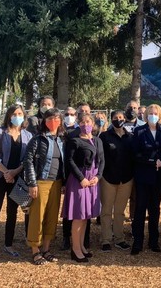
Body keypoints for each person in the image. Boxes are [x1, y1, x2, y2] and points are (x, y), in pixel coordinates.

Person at [0, 104, 33, 264]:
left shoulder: (27, 135)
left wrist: (14, 172)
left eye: (20, 114)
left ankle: (8, 245)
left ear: (24, 116)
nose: (17, 116)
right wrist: (6, 172)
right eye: (14, 113)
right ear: (9, 115)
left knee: (13, 213)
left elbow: (27, 159)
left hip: (16, 179)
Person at [24, 108, 66, 265]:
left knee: (52, 217)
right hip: (41, 183)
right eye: (49, 118)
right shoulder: (37, 140)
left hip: (57, 183)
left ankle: (46, 249)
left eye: (56, 118)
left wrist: (64, 183)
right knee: (37, 216)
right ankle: (35, 251)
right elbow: (28, 161)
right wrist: (32, 183)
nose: (53, 121)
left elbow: (63, 163)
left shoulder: (61, 140)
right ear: (44, 121)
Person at [61, 113, 103, 263]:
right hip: (79, 180)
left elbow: (102, 161)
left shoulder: (98, 141)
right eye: (83, 122)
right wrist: (81, 178)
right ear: (79, 124)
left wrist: (98, 177)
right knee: (78, 216)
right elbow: (69, 161)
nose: (86, 124)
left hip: (92, 180)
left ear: (93, 123)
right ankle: (75, 249)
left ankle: (82, 247)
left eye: (88, 121)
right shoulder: (74, 141)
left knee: (85, 216)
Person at [130, 104, 161, 255]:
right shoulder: (139, 131)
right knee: (140, 208)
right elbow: (135, 154)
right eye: (150, 113)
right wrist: (151, 161)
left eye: (156, 113)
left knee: (155, 209)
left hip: (158, 177)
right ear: (146, 115)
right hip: (142, 175)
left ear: (160, 115)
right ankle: (138, 241)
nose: (153, 115)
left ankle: (154, 241)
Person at [99, 110, 134, 252]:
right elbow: (100, 157)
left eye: (120, 117)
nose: (118, 120)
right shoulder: (104, 136)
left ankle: (119, 238)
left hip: (126, 179)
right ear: (111, 119)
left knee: (120, 211)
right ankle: (106, 239)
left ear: (124, 119)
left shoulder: (130, 137)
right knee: (106, 210)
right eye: (115, 118)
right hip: (108, 178)